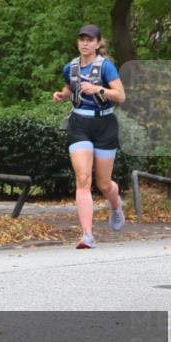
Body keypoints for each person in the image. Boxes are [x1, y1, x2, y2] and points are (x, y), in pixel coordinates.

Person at [52, 24, 127, 249]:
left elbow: (121, 96)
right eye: (82, 39)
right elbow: (70, 87)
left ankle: (115, 205)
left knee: (104, 184)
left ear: (97, 43)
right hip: (79, 124)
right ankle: (87, 235)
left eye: (89, 39)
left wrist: (99, 90)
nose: (85, 43)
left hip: (105, 124)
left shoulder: (106, 67)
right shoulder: (70, 67)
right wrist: (62, 95)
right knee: (83, 178)